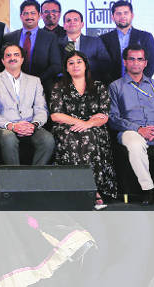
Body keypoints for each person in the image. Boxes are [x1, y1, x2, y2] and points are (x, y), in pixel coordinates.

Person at [108, 44, 154, 206]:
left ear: (145, 63)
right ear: (125, 62)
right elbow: (113, 117)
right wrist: (139, 129)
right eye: (132, 59)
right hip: (130, 131)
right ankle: (148, 189)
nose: (136, 63)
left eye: (140, 59)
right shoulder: (115, 86)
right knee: (135, 144)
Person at [50, 50, 117, 208]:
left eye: (79, 62)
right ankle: (80, 190)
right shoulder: (59, 87)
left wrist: (88, 124)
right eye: (71, 63)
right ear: (66, 68)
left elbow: (104, 116)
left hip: (94, 128)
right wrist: (81, 122)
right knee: (74, 137)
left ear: (86, 65)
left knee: (89, 136)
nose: (75, 66)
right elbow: (56, 115)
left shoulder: (99, 86)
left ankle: (93, 189)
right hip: (67, 127)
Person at [0, 44, 55, 166]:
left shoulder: (35, 81)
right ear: (3, 60)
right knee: (8, 138)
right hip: (4, 126)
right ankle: (15, 176)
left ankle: (35, 175)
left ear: (22, 59)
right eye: (8, 55)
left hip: (30, 125)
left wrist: (34, 125)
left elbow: (41, 109)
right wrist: (11, 126)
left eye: (16, 55)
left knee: (47, 139)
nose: (12, 58)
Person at [3, 0, 61, 96]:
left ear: (39, 15)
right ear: (21, 16)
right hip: (13, 88)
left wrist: (36, 81)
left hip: (42, 88)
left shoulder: (50, 37)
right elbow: (3, 62)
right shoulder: (9, 37)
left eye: (33, 13)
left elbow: (56, 65)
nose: (29, 17)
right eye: (26, 13)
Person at [100, 0, 154, 80]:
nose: (122, 16)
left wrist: (140, 82)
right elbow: (101, 65)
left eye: (126, 13)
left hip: (138, 84)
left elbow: (151, 62)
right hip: (111, 84)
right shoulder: (103, 39)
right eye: (118, 14)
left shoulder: (145, 37)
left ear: (132, 15)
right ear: (112, 17)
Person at [58, 9, 111, 82]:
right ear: (64, 26)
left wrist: (83, 65)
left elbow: (105, 63)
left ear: (82, 24)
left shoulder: (95, 41)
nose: (72, 22)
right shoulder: (56, 43)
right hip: (64, 83)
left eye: (75, 20)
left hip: (91, 82)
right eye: (68, 20)